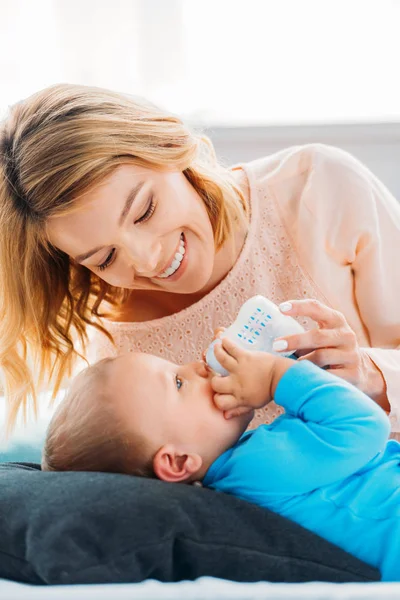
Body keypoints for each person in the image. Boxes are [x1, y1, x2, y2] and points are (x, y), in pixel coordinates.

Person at [0, 83, 400, 435]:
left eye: (144, 210)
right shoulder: (119, 356)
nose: (147, 260)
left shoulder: (318, 188)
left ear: (170, 146)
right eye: (104, 258)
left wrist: (371, 375)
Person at [42, 338, 399, 581]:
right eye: (179, 383)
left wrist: (282, 361)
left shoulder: (240, 471)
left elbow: (316, 425)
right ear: (179, 462)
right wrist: (276, 376)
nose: (197, 367)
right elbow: (366, 425)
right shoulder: (259, 468)